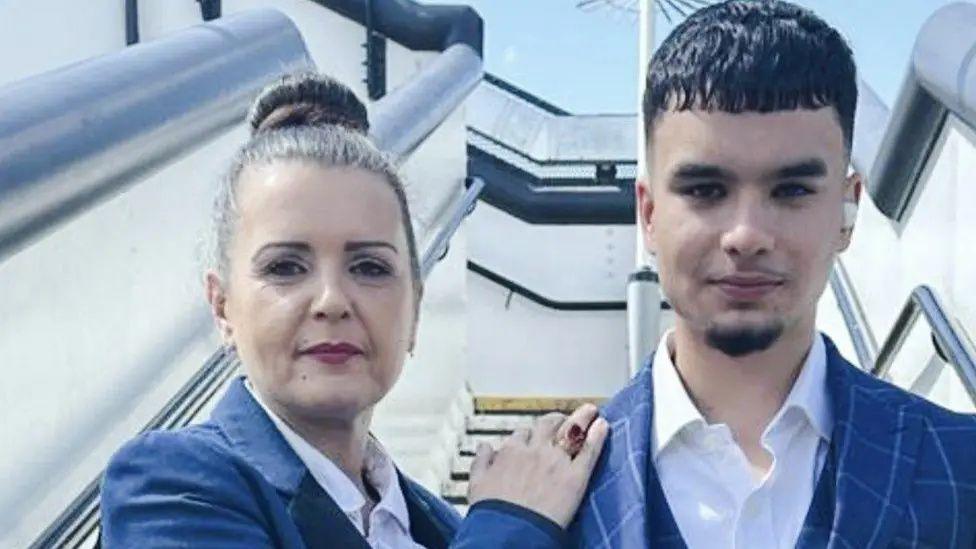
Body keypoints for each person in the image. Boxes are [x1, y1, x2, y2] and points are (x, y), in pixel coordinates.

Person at [99, 72, 609, 548]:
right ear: (222, 307)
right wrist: (510, 526)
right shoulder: (168, 486)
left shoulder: (441, 526)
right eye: (285, 267)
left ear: (415, 308)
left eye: (369, 267)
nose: (332, 301)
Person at [569, 1, 976, 548]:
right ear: (648, 214)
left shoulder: (960, 469)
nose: (746, 234)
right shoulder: (551, 495)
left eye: (791, 191)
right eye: (705, 190)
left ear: (847, 210)